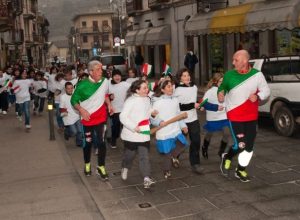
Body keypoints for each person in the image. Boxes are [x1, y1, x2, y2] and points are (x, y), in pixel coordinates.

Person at [218, 49, 270, 182]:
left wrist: (258, 96)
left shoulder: (257, 75)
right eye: (233, 59)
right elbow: (222, 86)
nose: (233, 62)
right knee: (240, 144)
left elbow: (266, 91)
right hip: (234, 115)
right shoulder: (229, 75)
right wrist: (221, 93)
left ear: (245, 61)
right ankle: (227, 157)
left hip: (251, 116)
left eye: (236, 60)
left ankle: (240, 170)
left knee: (249, 147)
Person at [71, 60, 113, 181]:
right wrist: (81, 110)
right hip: (87, 119)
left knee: (101, 143)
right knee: (88, 143)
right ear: (91, 72)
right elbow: (73, 101)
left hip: (101, 118)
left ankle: (101, 167)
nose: (101, 71)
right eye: (98, 69)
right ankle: (87, 164)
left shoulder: (105, 81)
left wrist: (109, 104)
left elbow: (104, 94)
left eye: (101, 69)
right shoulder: (82, 85)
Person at [119, 79, 156, 189]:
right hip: (131, 135)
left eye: (147, 87)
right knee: (129, 155)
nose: (147, 90)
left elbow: (147, 110)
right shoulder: (130, 101)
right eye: (144, 88)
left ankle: (146, 178)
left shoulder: (147, 99)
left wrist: (152, 112)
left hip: (144, 134)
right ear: (137, 90)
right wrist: (133, 127)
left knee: (144, 156)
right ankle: (125, 167)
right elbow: (123, 117)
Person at [151, 79, 188, 179]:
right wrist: (159, 122)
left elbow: (178, 114)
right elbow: (152, 118)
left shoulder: (175, 100)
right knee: (167, 153)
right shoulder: (157, 102)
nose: (171, 88)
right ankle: (166, 170)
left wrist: (183, 125)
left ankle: (173, 156)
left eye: (171, 86)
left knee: (183, 144)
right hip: (164, 131)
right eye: (168, 86)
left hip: (175, 128)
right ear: (162, 89)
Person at [174, 68, 203, 174]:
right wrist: (192, 105)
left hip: (193, 119)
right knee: (181, 142)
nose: (187, 77)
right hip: (182, 120)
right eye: (184, 76)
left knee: (196, 141)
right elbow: (179, 106)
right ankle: (175, 156)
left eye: (188, 75)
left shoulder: (194, 87)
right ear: (180, 77)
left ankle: (195, 164)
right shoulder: (177, 90)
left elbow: (193, 101)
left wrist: (199, 106)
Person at [201, 73, 231, 159]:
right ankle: (204, 147)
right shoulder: (210, 92)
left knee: (227, 133)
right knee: (209, 134)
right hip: (213, 118)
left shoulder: (227, 90)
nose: (222, 83)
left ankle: (221, 151)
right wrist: (216, 107)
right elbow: (203, 104)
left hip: (224, 117)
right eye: (220, 81)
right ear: (215, 81)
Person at [108, 69, 130, 148]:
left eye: (119, 75)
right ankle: (113, 140)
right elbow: (105, 95)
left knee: (126, 126)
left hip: (124, 110)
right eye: (115, 76)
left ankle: (127, 141)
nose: (117, 77)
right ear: (112, 77)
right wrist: (110, 97)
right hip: (115, 110)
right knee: (115, 127)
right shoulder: (109, 84)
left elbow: (134, 88)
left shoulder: (125, 84)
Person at [60, 82, 83, 147]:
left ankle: (79, 142)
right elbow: (61, 108)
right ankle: (67, 133)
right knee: (74, 132)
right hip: (68, 117)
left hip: (77, 116)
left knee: (80, 131)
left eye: (71, 88)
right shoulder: (63, 97)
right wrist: (64, 112)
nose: (70, 90)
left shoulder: (76, 95)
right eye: (68, 88)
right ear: (65, 89)